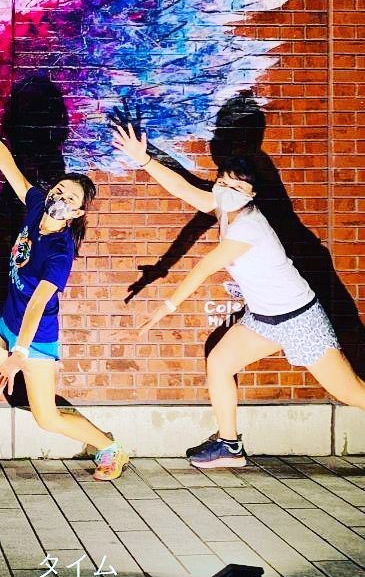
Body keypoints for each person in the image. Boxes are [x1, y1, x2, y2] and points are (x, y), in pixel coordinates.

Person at [112, 121, 365, 468]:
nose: (228, 188)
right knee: (220, 362)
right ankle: (229, 445)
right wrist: (144, 160)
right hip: (264, 318)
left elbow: (204, 267)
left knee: (350, 392)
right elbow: (184, 190)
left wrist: (165, 308)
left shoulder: (249, 225)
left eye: (237, 185)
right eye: (223, 182)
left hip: (299, 319)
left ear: (252, 194)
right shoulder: (224, 207)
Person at [0, 95, 129, 483]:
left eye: (70, 199)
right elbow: (9, 167)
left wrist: (18, 355)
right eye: (59, 191)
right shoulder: (37, 206)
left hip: (35, 338)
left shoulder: (60, 251)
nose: (60, 198)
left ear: (77, 212)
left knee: (46, 417)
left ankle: (110, 448)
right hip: (7, 326)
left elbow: (39, 303)